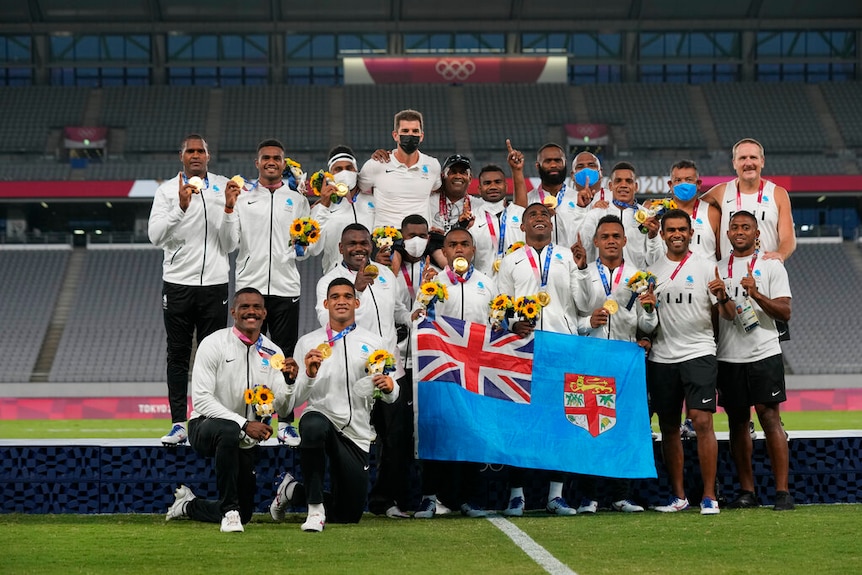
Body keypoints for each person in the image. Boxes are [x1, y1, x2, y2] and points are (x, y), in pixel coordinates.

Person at [269, 278, 399, 531]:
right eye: (336, 297)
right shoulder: (308, 343)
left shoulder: (376, 343)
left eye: (347, 296)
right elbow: (290, 403)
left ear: (356, 303)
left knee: (348, 513)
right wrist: (309, 374)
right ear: (326, 303)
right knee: (313, 424)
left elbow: (390, 395)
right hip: (322, 417)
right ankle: (315, 509)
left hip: (357, 432)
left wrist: (390, 388)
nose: (342, 301)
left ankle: (291, 491)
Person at [496, 202, 601, 516]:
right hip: (521, 350)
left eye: (544, 215)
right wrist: (511, 324)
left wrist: (583, 270)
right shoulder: (509, 260)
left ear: (551, 224)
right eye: (532, 216)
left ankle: (556, 495)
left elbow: (584, 305)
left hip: (562, 348)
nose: (539, 219)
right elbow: (499, 308)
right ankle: (517, 495)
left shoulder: (569, 257)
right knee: (520, 424)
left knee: (560, 422)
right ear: (523, 226)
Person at [164, 288, 297, 532]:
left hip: (245, 437)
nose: (251, 311)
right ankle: (229, 513)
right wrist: (244, 423)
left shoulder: (273, 353)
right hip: (205, 427)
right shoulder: (213, 343)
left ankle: (189, 506)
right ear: (233, 312)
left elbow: (283, 406)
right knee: (227, 429)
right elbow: (202, 400)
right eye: (245, 307)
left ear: (265, 313)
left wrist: (289, 383)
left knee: (246, 512)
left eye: (257, 307)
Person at [314, 223, 413, 518]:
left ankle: (385, 501)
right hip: (355, 374)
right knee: (353, 437)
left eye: (363, 243)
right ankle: (342, 493)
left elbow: (397, 310)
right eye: (352, 243)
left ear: (371, 246)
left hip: (391, 371)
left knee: (396, 439)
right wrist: (354, 289)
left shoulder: (385, 275)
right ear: (341, 248)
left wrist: (415, 315)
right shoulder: (330, 281)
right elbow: (325, 321)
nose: (359, 248)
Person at [222, 138, 310, 447]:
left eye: (276, 158)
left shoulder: (298, 200)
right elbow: (231, 244)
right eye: (266, 157)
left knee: (284, 357)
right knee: (254, 360)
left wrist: (302, 245)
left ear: (284, 163)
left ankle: (286, 422)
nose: (271, 161)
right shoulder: (244, 197)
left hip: (286, 288)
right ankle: (254, 421)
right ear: (257, 163)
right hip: (251, 289)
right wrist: (229, 208)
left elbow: (303, 253)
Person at [148, 134, 232, 446]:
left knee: (214, 356)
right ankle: (178, 423)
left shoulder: (223, 187)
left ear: (208, 156)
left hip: (214, 283)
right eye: (190, 151)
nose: (196, 156)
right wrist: (179, 208)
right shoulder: (167, 191)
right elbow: (154, 236)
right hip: (178, 283)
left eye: (201, 151)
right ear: (182, 157)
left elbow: (233, 238)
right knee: (178, 354)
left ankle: (208, 416)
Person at [410, 228, 498, 519]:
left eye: (464, 244)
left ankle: (468, 498)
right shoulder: (432, 285)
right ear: (444, 252)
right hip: (441, 370)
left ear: (473, 250)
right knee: (437, 430)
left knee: (472, 432)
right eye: (452, 245)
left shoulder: (488, 284)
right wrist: (425, 300)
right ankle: (430, 496)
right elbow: (417, 324)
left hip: (475, 372)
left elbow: (497, 326)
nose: (459, 249)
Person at [574, 215, 657, 513]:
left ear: (624, 241)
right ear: (596, 241)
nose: (610, 240)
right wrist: (587, 322)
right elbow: (574, 312)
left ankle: (621, 494)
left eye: (616, 236)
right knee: (590, 427)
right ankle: (589, 496)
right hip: (591, 359)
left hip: (625, 360)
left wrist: (649, 310)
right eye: (605, 236)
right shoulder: (582, 272)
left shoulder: (638, 276)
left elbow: (647, 325)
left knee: (624, 428)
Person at [714, 211, 795, 511]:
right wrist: (723, 298)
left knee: (769, 416)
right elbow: (723, 316)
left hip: (764, 351)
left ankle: (782, 491)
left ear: (756, 232)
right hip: (729, 354)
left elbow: (784, 312)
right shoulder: (719, 268)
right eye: (734, 227)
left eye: (745, 227)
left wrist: (756, 294)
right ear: (728, 233)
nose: (739, 231)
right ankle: (747, 491)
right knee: (738, 421)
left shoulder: (772, 265)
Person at [646, 209, 722, 515]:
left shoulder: (706, 265)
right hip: (662, 356)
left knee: (702, 420)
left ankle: (709, 496)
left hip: (699, 351)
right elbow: (646, 318)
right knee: (668, 427)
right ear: (662, 234)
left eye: (682, 229)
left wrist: (726, 301)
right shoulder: (651, 270)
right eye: (671, 230)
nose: (677, 234)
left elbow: (722, 313)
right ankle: (678, 497)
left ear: (691, 233)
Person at [703, 138, 796, 262]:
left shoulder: (778, 194)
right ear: (734, 163)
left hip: (765, 273)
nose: (748, 163)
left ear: (762, 161)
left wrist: (781, 254)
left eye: (753, 157)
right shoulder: (720, 192)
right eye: (742, 158)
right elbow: (692, 209)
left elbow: (788, 237)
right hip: (729, 274)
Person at [358, 109, 442, 229]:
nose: (410, 135)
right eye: (405, 131)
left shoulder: (433, 165)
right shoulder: (376, 165)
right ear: (395, 136)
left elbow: (438, 188)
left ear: (421, 136)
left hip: (419, 239)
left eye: (415, 131)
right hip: (385, 240)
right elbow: (356, 190)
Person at [576, 161, 663, 271]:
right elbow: (582, 245)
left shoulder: (648, 217)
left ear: (635, 186)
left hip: (636, 283)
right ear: (610, 186)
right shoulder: (596, 214)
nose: (623, 185)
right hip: (602, 283)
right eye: (618, 181)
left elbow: (656, 262)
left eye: (628, 181)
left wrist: (653, 237)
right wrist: (584, 211)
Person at [463, 141, 528, 276]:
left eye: (498, 182)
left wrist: (517, 170)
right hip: (484, 285)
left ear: (506, 186)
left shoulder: (520, 213)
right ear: (479, 189)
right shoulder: (471, 220)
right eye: (487, 183)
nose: (493, 186)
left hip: (516, 282)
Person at [310, 146, 376, 274]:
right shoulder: (321, 208)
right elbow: (313, 249)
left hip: (372, 275)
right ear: (330, 175)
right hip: (337, 279)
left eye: (349, 168)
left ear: (356, 170)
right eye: (338, 169)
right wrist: (324, 205)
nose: (345, 172)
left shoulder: (373, 200)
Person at [525, 143, 580, 248]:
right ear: (538, 166)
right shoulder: (528, 200)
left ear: (565, 163)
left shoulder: (579, 199)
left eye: (558, 160)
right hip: (538, 262)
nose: (553, 165)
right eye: (548, 161)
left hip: (573, 262)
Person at [667, 159, 719, 262]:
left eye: (689, 180)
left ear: (698, 184)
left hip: (706, 277)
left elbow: (721, 252)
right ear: (670, 185)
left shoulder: (712, 213)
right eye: (678, 180)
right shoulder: (659, 213)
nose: (683, 184)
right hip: (670, 276)